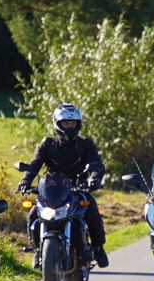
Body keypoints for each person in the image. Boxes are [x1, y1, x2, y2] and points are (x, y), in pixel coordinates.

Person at [18, 103, 108, 269]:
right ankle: (38, 251)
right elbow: (34, 164)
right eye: (66, 123)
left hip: (78, 188)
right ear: (58, 123)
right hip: (53, 189)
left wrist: (94, 179)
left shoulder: (85, 144)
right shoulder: (47, 144)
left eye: (73, 123)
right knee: (32, 214)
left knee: (92, 210)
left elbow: (96, 164)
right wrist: (25, 181)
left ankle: (98, 247)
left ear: (78, 124)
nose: (70, 126)